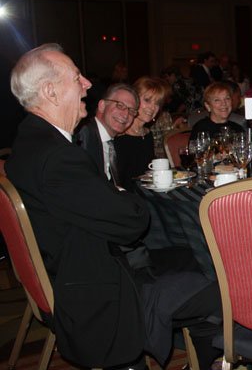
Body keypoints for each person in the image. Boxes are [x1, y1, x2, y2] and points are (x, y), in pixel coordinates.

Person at [5, 44, 221, 369]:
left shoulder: (28, 143)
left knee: (190, 255)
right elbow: (132, 221)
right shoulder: (57, 158)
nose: (88, 85)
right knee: (227, 283)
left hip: (76, 267)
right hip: (99, 292)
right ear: (50, 91)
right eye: (77, 78)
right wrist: (125, 197)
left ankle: (206, 356)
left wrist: (116, 196)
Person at [75, 83, 139, 186]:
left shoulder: (113, 142)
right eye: (120, 105)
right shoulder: (83, 136)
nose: (126, 115)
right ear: (102, 106)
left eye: (131, 111)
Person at [114, 76, 169, 189]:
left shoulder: (147, 134)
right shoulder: (119, 136)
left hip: (147, 193)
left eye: (157, 103)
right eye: (147, 100)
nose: (152, 107)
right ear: (133, 100)